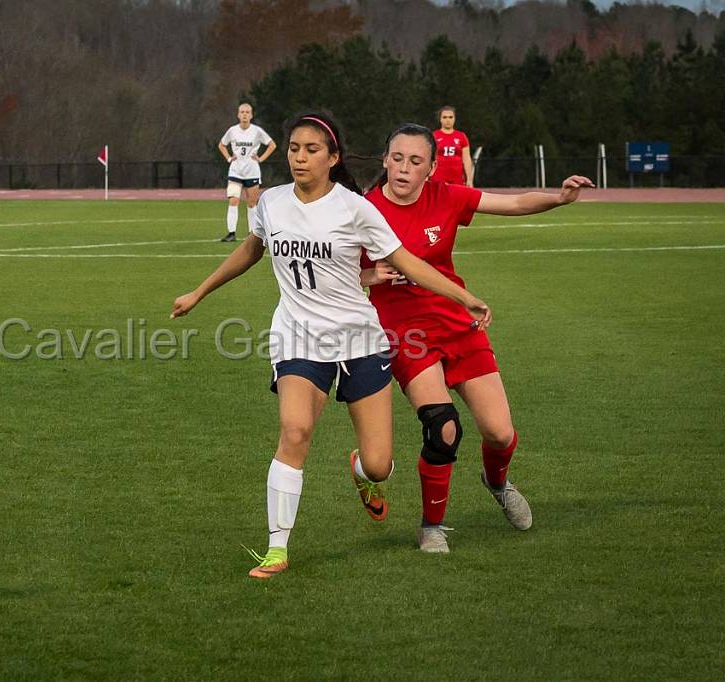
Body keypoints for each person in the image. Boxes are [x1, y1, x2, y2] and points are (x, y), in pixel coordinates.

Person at [172, 113, 492, 579]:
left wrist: (465, 297)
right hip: (297, 337)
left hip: (359, 338)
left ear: (333, 157)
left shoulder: (356, 209)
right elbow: (251, 248)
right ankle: (276, 549)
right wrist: (198, 292)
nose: (300, 157)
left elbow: (406, 262)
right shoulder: (272, 202)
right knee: (295, 432)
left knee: (381, 464)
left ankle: (362, 474)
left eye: (312, 150)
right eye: (294, 148)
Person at [359, 123, 594, 553]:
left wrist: (558, 199)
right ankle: (432, 526)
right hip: (403, 331)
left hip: (456, 321)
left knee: (501, 434)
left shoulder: (445, 196)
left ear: (431, 168)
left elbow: (513, 202)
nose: (403, 168)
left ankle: (497, 483)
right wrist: (370, 274)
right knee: (443, 427)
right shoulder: (362, 210)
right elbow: (333, 275)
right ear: (384, 160)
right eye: (396, 158)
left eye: (415, 161)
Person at [216, 103, 276, 242]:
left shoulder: (257, 131)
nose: (244, 114)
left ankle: (252, 234)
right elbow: (221, 144)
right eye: (242, 112)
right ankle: (231, 233)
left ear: (251, 115)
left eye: (247, 112)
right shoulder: (232, 131)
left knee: (251, 203)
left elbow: (272, 145)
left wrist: (260, 158)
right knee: (233, 200)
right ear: (238, 114)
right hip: (235, 171)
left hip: (252, 172)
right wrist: (229, 158)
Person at [432, 105, 473, 187]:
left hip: (457, 178)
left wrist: (469, 179)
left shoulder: (461, 136)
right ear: (440, 119)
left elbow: (467, 159)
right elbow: (429, 158)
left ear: (454, 118)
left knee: (458, 199)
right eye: (445, 117)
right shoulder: (434, 136)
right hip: (438, 177)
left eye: (450, 117)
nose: (448, 120)